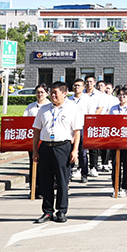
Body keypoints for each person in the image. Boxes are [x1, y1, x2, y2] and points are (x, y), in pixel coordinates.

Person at [32, 82, 84, 223]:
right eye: (51, 93)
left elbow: (77, 131)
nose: (53, 95)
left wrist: (75, 150)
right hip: (45, 147)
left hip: (63, 147)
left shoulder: (72, 108)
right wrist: (35, 150)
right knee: (46, 181)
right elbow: (36, 131)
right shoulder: (44, 109)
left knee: (61, 181)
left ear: (64, 93)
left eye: (56, 93)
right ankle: (47, 211)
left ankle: (61, 211)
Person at [24, 84, 50, 197]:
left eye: (42, 92)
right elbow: (24, 122)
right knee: (33, 164)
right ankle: (34, 189)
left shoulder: (50, 106)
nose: (40, 95)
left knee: (45, 167)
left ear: (47, 93)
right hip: (33, 140)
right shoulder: (30, 107)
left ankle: (44, 190)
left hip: (46, 141)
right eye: (38, 92)